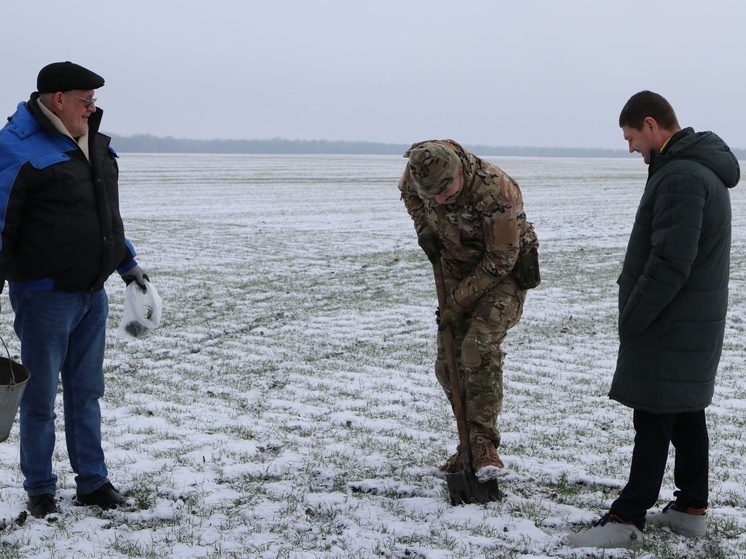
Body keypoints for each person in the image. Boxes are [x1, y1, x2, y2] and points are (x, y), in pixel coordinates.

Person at [566, 91, 739, 549]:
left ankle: (625, 520)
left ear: (651, 124)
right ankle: (690, 510)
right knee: (685, 415)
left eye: (631, 137)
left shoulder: (681, 175)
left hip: (669, 322)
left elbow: (670, 263)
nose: (630, 148)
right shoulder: (695, 169)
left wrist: (634, 316)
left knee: (653, 419)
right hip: (688, 322)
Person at [0, 61, 150, 518]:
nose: (92, 108)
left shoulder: (96, 145)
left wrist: (129, 267)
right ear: (57, 99)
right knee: (41, 398)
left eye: (95, 101)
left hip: (91, 293)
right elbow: (1, 222)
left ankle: (93, 482)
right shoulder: (14, 147)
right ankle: (41, 489)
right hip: (43, 294)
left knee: (87, 392)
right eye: (85, 100)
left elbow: (105, 220)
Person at [399, 139, 539, 480]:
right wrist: (424, 230)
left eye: (446, 193)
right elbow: (411, 195)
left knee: (476, 345)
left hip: (502, 271)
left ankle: (483, 446)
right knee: (447, 364)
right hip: (455, 267)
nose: (439, 201)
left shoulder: (497, 191)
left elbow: (500, 260)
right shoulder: (418, 169)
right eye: (433, 195)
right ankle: (466, 445)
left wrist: (458, 302)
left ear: (459, 172)